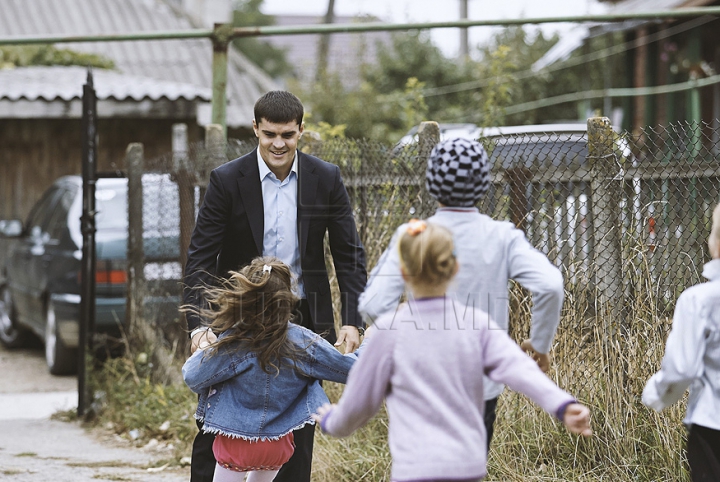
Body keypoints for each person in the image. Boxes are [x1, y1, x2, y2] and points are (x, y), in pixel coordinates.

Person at [313, 220, 592, 482]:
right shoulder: (477, 324)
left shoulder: (387, 331)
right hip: (466, 465)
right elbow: (520, 370)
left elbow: (360, 405)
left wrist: (331, 422)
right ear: (455, 267)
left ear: (402, 273)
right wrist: (563, 405)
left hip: (415, 468)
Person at [182, 90, 367, 482]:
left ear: (301, 131)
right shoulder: (227, 180)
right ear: (255, 130)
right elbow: (200, 257)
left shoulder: (326, 178)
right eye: (269, 134)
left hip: (303, 316)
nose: (278, 143)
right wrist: (200, 327)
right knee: (218, 421)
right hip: (238, 315)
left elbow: (348, 254)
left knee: (298, 427)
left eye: (287, 134)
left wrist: (353, 318)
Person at [358, 137, 564, 445]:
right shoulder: (501, 236)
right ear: (482, 184)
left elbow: (373, 303)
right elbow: (550, 285)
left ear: (432, 183)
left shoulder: (413, 234)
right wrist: (539, 344)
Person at [183, 257, 363, 482]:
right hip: (276, 447)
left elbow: (192, 376)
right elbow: (352, 369)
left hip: (235, 445)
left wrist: (205, 348)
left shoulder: (233, 340)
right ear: (288, 300)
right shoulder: (303, 340)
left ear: (245, 298)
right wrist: (372, 342)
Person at [642, 203, 720, 482]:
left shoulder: (699, 300)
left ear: (716, 244)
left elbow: (682, 368)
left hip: (712, 425)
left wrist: (655, 394)